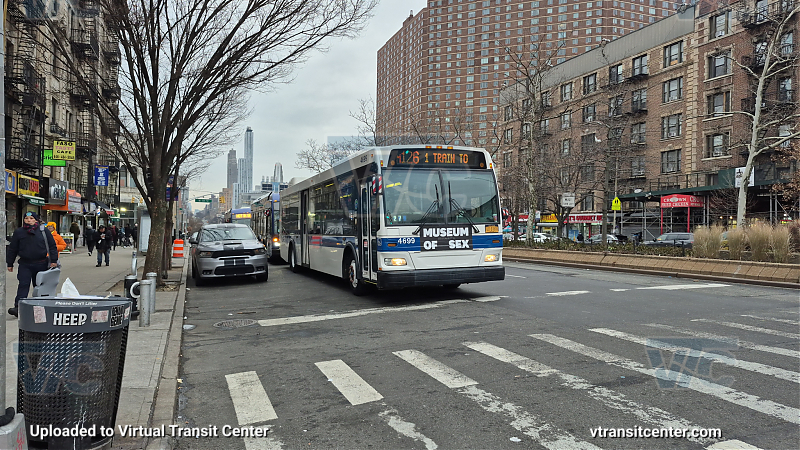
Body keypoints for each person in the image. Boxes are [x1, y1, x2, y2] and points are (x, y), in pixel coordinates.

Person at [6, 212, 59, 317]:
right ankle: (19, 307)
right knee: (23, 285)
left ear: (36, 220)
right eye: (26, 218)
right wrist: (10, 263)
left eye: (31, 218)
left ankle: (40, 305)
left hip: (41, 263)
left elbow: (52, 246)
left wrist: (54, 260)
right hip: (25, 264)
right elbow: (13, 248)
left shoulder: (43, 231)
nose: (28, 220)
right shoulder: (19, 232)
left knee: (39, 286)